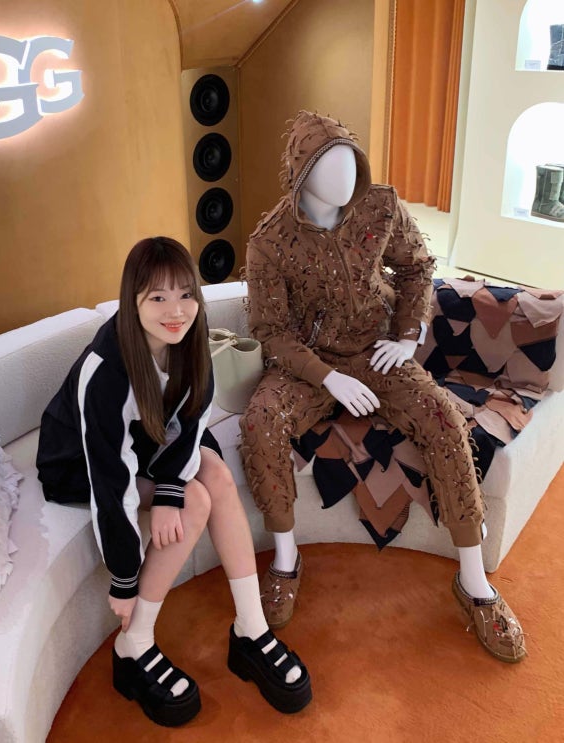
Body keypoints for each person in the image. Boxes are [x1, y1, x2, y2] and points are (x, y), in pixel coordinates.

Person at [239, 111, 527, 663]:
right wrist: (328, 377)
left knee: (445, 419)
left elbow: (417, 268)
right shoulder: (270, 241)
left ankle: (474, 582)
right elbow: (271, 331)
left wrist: (407, 335)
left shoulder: (380, 205)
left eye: (351, 161)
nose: (346, 176)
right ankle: (285, 559)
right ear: (302, 173)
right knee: (261, 422)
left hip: (378, 351)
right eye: (328, 165)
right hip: (310, 366)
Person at [36, 236, 312, 727]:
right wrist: (124, 579)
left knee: (217, 475)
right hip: (76, 463)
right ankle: (134, 643)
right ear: (132, 300)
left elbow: (193, 419)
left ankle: (250, 629)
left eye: (186, 294)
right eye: (158, 297)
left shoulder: (190, 338)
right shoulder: (105, 370)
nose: (176, 310)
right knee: (195, 500)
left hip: (147, 440)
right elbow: (109, 478)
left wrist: (166, 490)